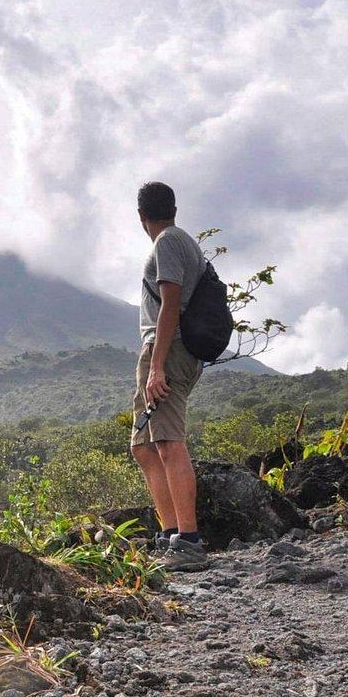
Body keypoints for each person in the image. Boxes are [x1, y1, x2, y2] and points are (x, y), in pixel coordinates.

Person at [130, 182, 208, 570]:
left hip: (168, 350)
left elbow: (171, 305)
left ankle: (188, 541)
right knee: (144, 445)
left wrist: (157, 365)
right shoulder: (182, 241)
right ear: (174, 208)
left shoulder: (168, 243)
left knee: (167, 442)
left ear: (140, 216)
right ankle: (170, 534)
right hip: (166, 350)